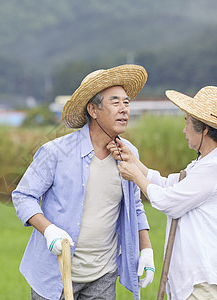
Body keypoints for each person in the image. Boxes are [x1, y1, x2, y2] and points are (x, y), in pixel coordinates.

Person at [12, 65, 155, 300]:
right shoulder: (55, 152)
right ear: (93, 109)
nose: (124, 110)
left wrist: (146, 249)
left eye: (127, 103)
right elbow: (22, 196)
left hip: (103, 275)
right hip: (55, 273)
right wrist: (49, 232)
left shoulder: (129, 154)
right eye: (115, 102)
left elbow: (135, 206)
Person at [107, 86, 217, 300]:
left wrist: (135, 176)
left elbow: (168, 201)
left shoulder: (215, 168)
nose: (184, 130)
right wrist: (133, 160)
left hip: (206, 284)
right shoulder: (205, 164)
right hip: (198, 282)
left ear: (203, 128)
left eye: (186, 122)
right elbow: (168, 185)